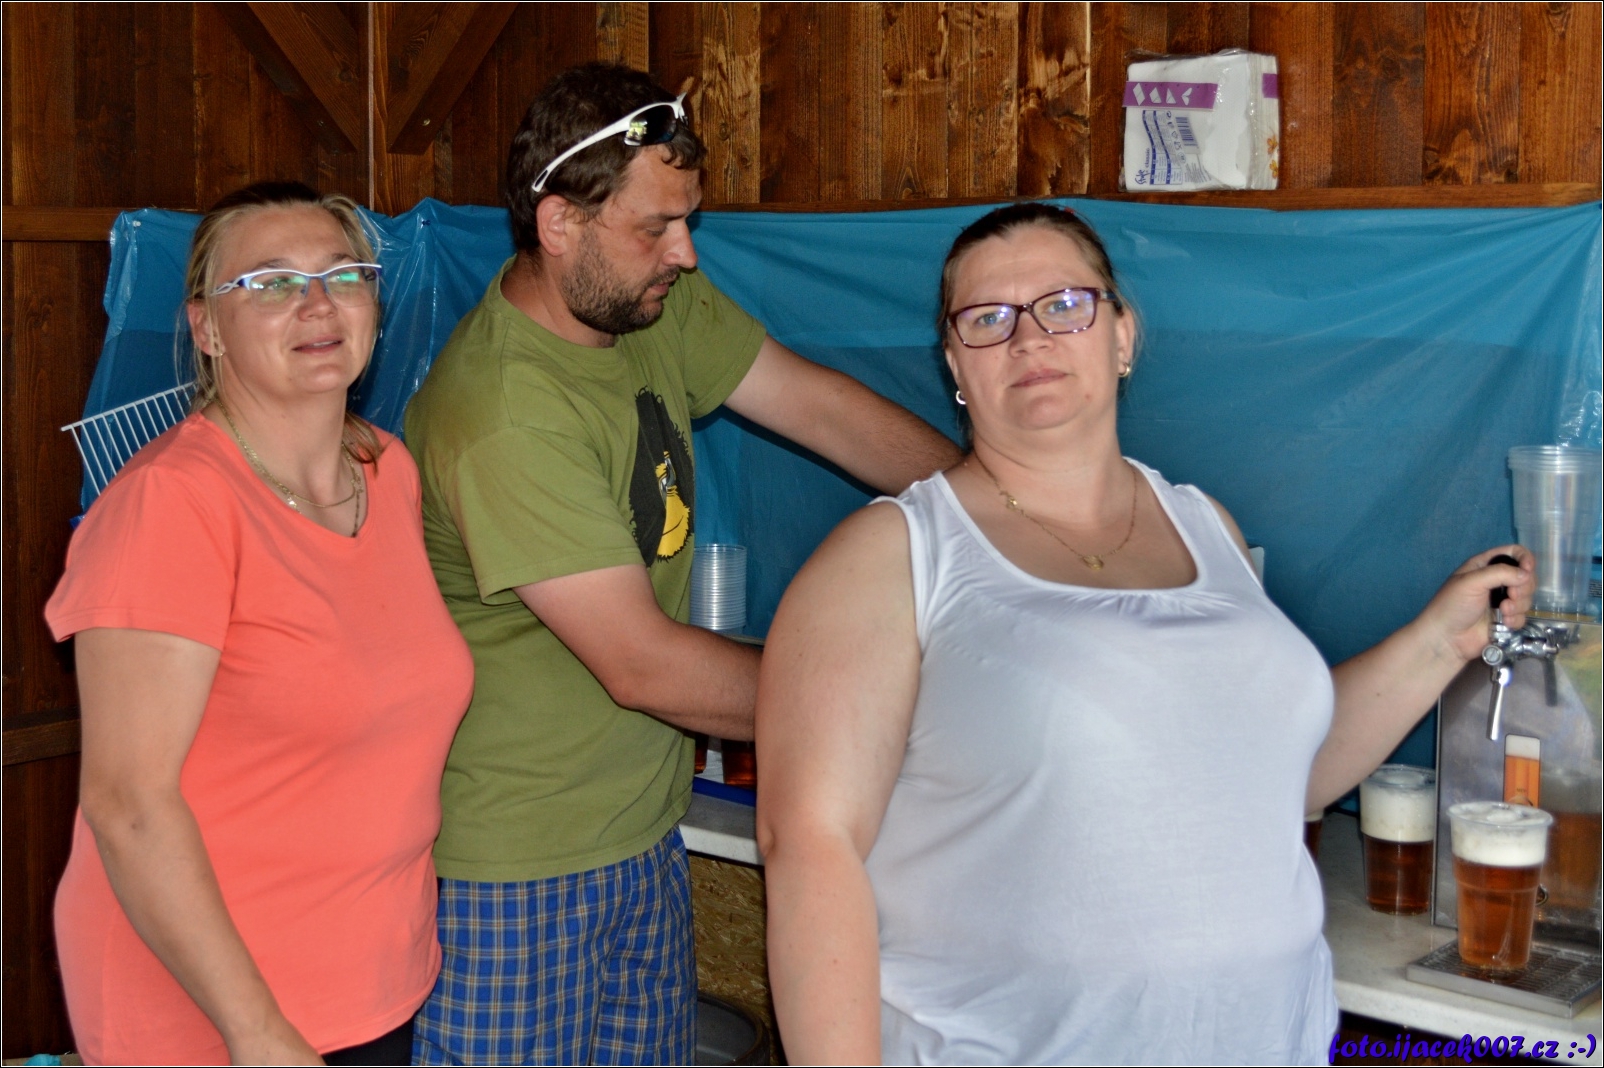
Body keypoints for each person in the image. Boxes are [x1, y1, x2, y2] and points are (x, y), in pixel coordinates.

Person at [756, 203, 1536, 1065]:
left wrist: (1440, 642)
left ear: (1122, 335)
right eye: (987, 319)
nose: (1029, 337)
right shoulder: (890, 554)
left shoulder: (1207, 526)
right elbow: (811, 849)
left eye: (1064, 305)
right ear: (955, 366)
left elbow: (1271, 780)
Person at [402, 63, 960, 1064]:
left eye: (687, 221)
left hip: (638, 832)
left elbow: (824, 410)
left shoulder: (644, 304)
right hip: (512, 869)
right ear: (559, 223)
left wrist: (996, 516)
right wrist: (900, 699)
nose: (686, 253)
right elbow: (643, 665)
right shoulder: (504, 412)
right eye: (655, 227)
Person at [45, 182, 474, 1066]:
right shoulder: (171, 506)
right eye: (271, 283)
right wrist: (258, 1032)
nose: (317, 305)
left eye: (344, 275)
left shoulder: (385, 471)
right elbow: (128, 805)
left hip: (371, 985)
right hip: (213, 1011)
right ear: (206, 327)